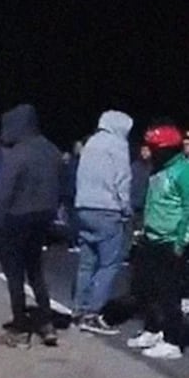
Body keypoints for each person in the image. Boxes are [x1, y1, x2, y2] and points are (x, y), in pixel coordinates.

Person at [0, 104, 62, 348]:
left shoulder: (19, 153)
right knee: (36, 271)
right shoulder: (51, 149)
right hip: (43, 217)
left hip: (17, 217)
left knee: (14, 274)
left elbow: (3, 192)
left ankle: (20, 328)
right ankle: (46, 323)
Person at [126, 124, 189, 359]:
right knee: (146, 289)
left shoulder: (183, 171)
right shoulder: (157, 170)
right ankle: (152, 329)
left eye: (155, 147)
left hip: (171, 241)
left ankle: (173, 341)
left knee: (169, 293)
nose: (150, 151)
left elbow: (188, 209)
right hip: (151, 237)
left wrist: (180, 243)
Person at [71, 111, 133, 336]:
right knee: (108, 264)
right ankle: (92, 313)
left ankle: (78, 309)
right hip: (107, 209)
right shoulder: (117, 146)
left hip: (84, 207)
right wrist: (126, 209)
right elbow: (122, 179)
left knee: (87, 261)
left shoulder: (91, 143)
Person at [130, 143, 152, 238]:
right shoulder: (134, 166)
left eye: (147, 150)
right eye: (143, 150)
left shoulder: (153, 167)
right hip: (133, 204)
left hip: (146, 205)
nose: (144, 153)